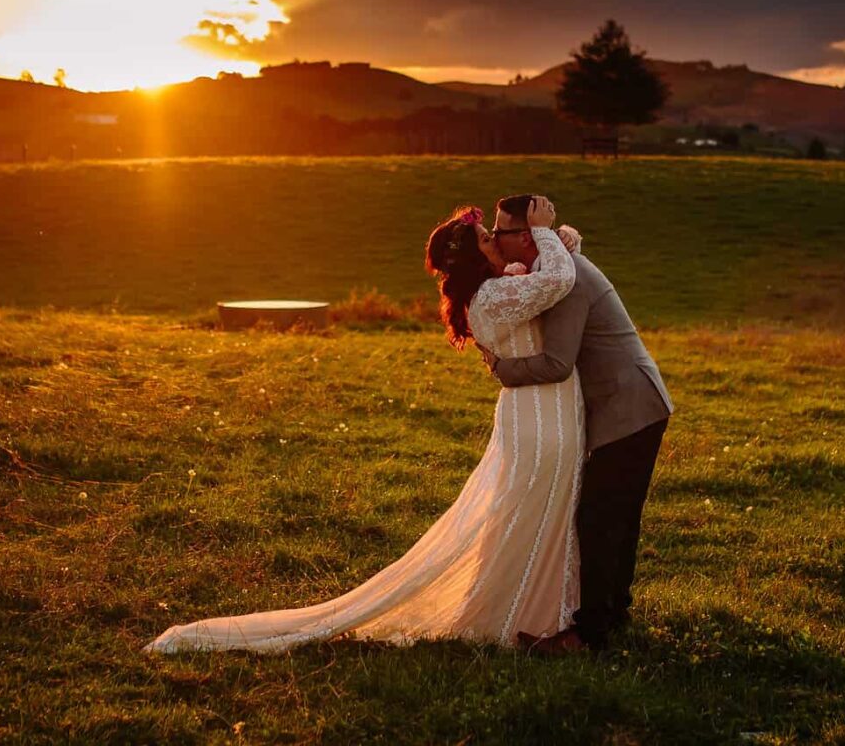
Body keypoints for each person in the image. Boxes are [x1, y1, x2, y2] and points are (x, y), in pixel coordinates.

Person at [146, 195, 589, 653]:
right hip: (542, 418)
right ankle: (515, 614)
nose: (496, 240)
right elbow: (557, 277)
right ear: (475, 257)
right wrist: (540, 231)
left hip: (541, 409)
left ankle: (536, 608)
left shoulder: (502, 286)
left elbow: (545, 275)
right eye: (485, 238)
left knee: (531, 512)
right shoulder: (494, 297)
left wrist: (559, 239)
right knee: (531, 510)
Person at [478, 194, 674, 655]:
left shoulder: (564, 279)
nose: (494, 237)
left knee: (601, 518)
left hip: (628, 406)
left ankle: (588, 635)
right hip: (634, 401)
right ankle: (613, 613)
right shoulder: (553, 270)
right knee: (617, 516)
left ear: (524, 236)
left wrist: (501, 370)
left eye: (500, 231)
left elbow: (557, 363)